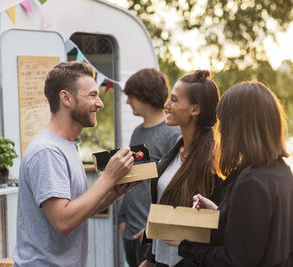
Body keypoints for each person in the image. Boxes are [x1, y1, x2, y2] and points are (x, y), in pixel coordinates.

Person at [166, 82, 293, 267]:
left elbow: (235, 261)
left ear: (237, 126)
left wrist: (186, 244)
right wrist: (220, 213)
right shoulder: (281, 172)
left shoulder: (252, 183)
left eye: (223, 121)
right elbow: (259, 235)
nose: (221, 130)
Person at [13, 61, 137, 267]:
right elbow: (63, 221)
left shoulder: (66, 146)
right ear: (66, 98)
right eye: (92, 95)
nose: (100, 103)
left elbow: (76, 209)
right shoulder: (47, 152)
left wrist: (114, 191)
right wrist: (108, 178)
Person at [140, 70, 222, 267]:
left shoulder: (215, 164)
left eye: (174, 100)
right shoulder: (173, 153)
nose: (166, 105)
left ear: (195, 109)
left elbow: (219, 230)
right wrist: (150, 260)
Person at [118, 68, 181, 267]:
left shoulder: (173, 133)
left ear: (146, 96)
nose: (128, 101)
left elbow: (176, 187)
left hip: (152, 236)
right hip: (130, 231)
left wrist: (153, 227)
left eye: (131, 96)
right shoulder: (137, 132)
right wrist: (122, 218)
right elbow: (132, 176)